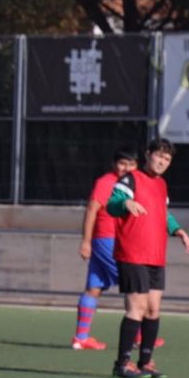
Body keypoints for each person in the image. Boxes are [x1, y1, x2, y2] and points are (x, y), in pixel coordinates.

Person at [106, 138, 189, 378]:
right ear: (148, 155)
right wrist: (126, 202)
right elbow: (111, 204)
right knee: (137, 307)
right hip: (132, 253)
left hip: (155, 255)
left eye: (167, 159)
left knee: (153, 310)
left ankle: (145, 362)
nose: (162, 162)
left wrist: (179, 231)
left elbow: (164, 213)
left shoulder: (162, 185)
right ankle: (122, 364)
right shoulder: (131, 179)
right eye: (159, 156)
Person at [71, 147, 138, 350]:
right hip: (108, 240)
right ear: (114, 164)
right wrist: (86, 241)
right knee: (134, 284)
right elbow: (92, 209)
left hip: (107, 241)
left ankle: (81, 338)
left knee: (93, 288)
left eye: (131, 164)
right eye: (122, 163)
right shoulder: (107, 182)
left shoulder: (130, 184)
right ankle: (139, 336)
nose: (126, 168)